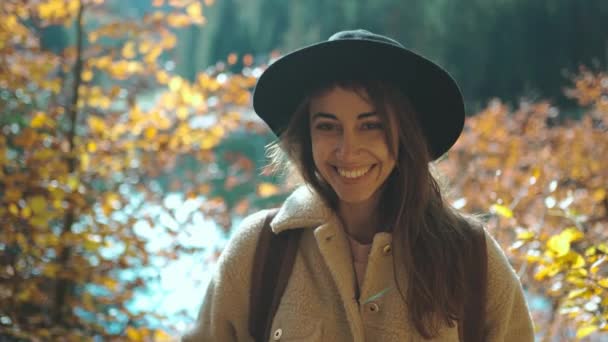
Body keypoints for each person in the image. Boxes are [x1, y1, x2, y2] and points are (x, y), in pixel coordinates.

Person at [182, 29, 535, 341]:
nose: (347, 150)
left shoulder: (471, 256)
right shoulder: (259, 250)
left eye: (371, 125)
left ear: (405, 135)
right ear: (306, 137)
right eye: (327, 126)